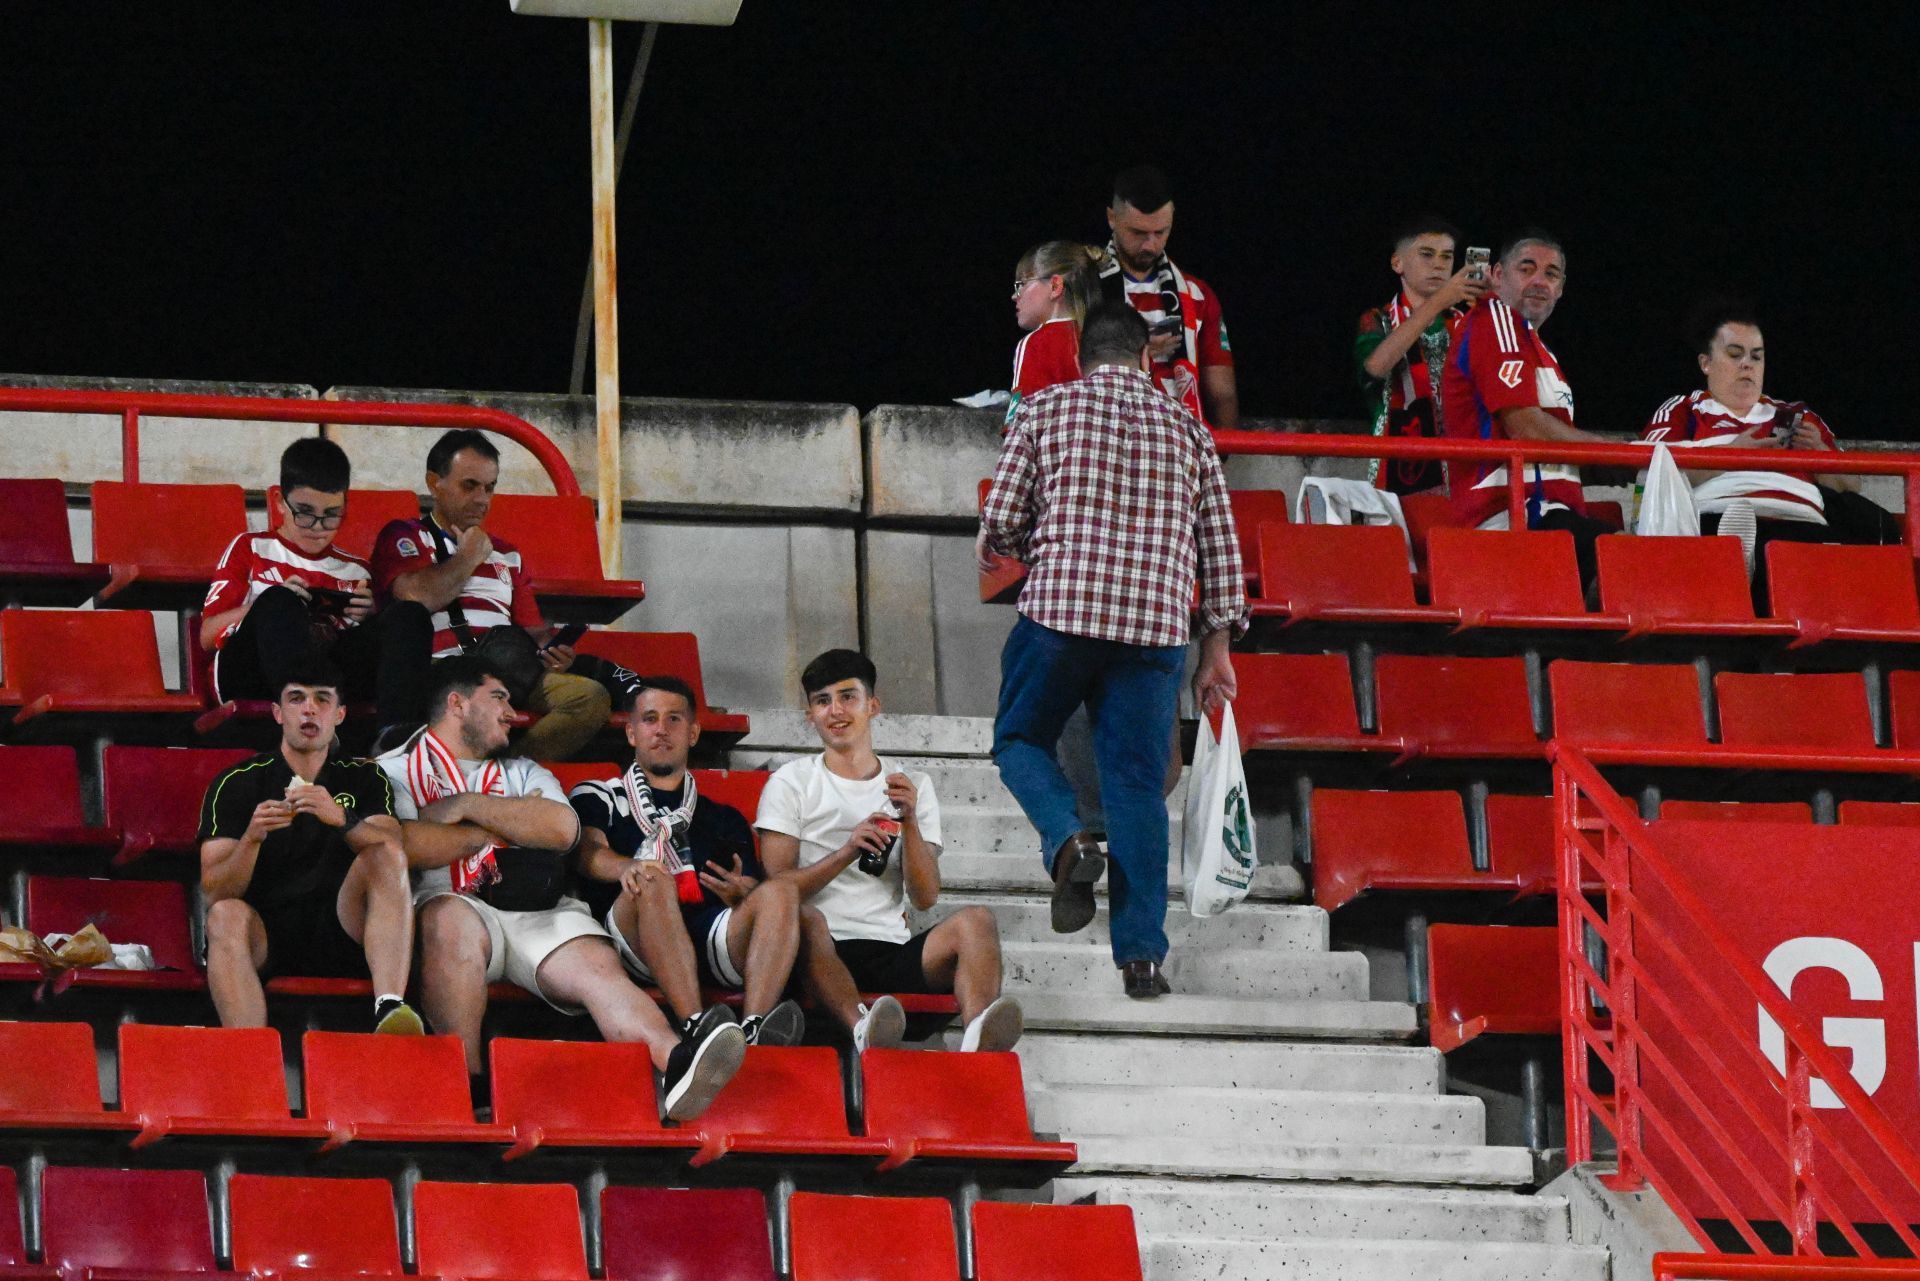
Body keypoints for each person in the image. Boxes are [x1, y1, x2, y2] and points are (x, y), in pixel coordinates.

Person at [978, 305, 1247, 999]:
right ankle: (1142, 959)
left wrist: (1020, 542)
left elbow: (1002, 519)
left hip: (1061, 616)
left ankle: (1067, 838)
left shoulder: (1045, 409)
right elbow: (1221, 549)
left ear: (1079, 355)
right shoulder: (1189, 429)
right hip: (1155, 631)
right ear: (1145, 357)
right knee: (1136, 788)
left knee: (1018, 738)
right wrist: (1216, 648)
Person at [378, 655, 744, 1120]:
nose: (512, 713)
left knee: (596, 966)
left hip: (536, 907)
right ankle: (466, 1087)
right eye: (499, 699)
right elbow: (408, 844)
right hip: (452, 901)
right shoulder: (392, 769)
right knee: (449, 923)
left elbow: (561, 830)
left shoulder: (523, 769)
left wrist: (466, 806)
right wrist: (502, 828)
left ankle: (676, 1064)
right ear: (458, 704)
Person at [573, 677, 906, 1049]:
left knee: (797, 906)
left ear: (693, 733)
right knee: (653, 878)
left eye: (674, 719)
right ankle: (696, 1026)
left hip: (713, 938)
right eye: (650, 719)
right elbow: (587, 854)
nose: (662, 729)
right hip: (633, 938)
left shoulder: (724, 817)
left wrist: (745, 891)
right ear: (632, 733)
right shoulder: (600, 794)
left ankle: (768, 1027)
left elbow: (756, 890)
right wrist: (628, 867)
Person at [756, 649, 1021, 1052]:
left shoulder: (911, 784)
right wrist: (847, 851)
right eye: (822, 701)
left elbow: (925, 896)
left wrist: (909, 821)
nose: (836, 710)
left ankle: (978, 1045)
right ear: (810, 716)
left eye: (848, 697)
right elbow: (776, 890)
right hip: (815, 948)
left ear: (873, 706)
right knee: (807, 922)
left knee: (977, 922)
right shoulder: (791, 781)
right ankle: (862, 1028)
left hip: (888, 947)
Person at [198, 656, 421, 1035]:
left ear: (340, 714)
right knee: (225, 915)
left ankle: (389, 1006)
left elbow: (393, 847)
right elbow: (214, 891)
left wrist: (342, 818)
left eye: (322, 699)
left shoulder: (365, 777)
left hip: (344, 925)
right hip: (266, 934)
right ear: (278, 713)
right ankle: (250, 1055)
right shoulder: (237, 782)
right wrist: (251, 839)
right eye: (297, 698)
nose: (309, 709)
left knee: (384, 853)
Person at [370, 429, 613, 761]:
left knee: (589, 697)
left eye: (489, 487)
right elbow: (416, 598)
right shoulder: (405, 534)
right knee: (467, 703)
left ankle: (507, 771)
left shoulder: (508, 554)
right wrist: (469, 555)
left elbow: (532, 632)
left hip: (504, 671)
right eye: (469, 486)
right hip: (438, 669)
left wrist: (554, 652)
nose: (482, 499)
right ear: (434, 483)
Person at [1642, 302, 1898, 586]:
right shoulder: (1684, 408)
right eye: (1734, 354)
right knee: (1745, 545)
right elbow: (1653, 467)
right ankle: (1737, 559)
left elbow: (1852, 485)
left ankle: (1743, 566)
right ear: (1706, 363)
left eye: (1756, 356)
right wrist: (1733, 454)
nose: (1747, 364)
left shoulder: (1798, 414)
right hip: (1716, 515)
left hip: (1803, 523)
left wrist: (1819, 454)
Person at [202, 437, 432, 737]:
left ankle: (396, 739)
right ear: (280, 502)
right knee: (280, 600)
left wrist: (371, 615)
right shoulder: (251, 548)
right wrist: (268, 605)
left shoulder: (357, 570)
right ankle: (301, 723)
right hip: (252, 675)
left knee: (409, 615)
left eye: (331, 515)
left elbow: (365, 648)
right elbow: (207, 636)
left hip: (329, 677)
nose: (318, 527)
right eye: (305, 513)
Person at [1440, 228, 1614, 588]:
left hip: (1551, 516)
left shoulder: (1539, 348)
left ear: (1561, 288)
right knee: (1630, 560)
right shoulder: (1496, 319)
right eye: (1527, 268)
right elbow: (1526, 427)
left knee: (1643, 561)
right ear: (1497, 275)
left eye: (1551, 274)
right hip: (1512, 517)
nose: (1539, 281)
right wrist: (1608, 452)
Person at [1354, 216, 1486, 495]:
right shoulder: (1378, 319)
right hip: (1397, 474)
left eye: (1447, 256)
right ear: (1397, 263)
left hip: (1462, 470)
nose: (1438, 264)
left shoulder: (1465, 322)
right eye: (1427, 254)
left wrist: (1491, 311)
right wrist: (1439, 301)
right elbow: (1375, 368)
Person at [1099, 165, 1238, 429]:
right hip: (1105, 436)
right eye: (1138, 233)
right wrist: (1135, 352)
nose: (1150, 244)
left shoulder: (1198, 295)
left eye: (1161, 232)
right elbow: (1059, 370)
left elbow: (1222, 395)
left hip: (1183, 438)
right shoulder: (1082, 288)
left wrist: (1223, 451)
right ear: (1112, 218)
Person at [1006, 240, 1104, 427]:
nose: (1015, 296)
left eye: (1021, 284)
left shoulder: (1035, 344)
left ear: (1055, 286)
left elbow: (1018, 424)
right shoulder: (1108, 340)